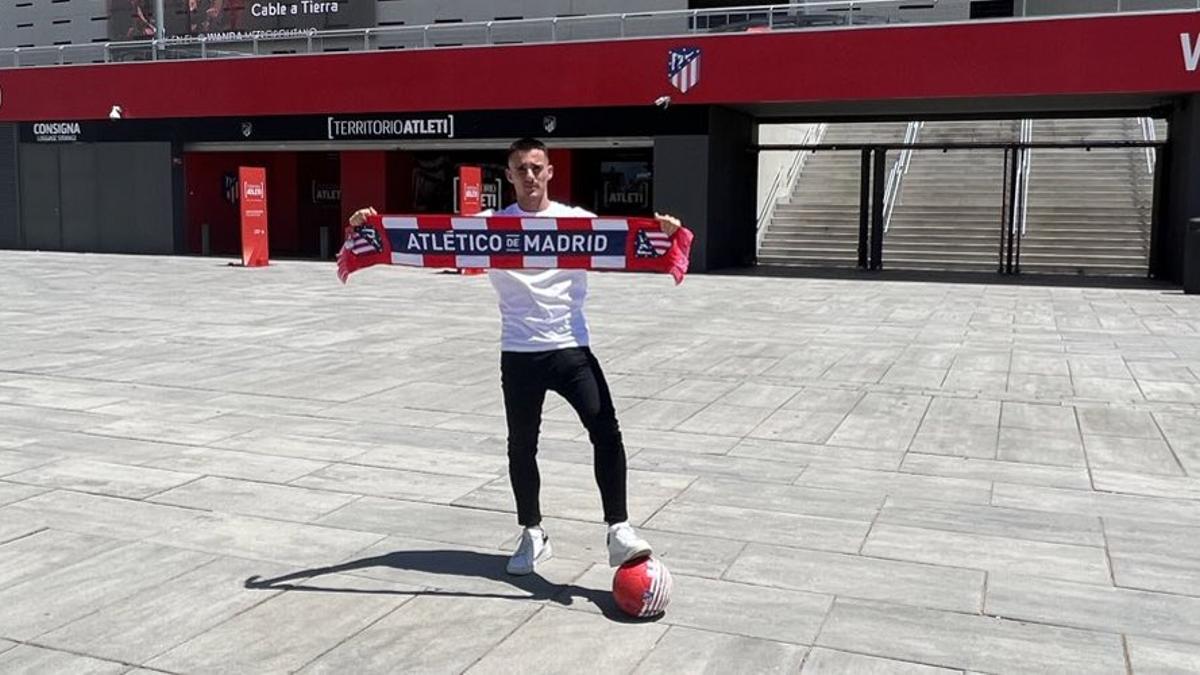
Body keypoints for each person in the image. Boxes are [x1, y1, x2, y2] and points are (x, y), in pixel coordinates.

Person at [349, 137, 683, 576]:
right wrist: (371, 227)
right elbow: (427, 236)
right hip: (519, 352)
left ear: (550, 172)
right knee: (521, 446)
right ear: (508, 175)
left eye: (536, 167)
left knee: (606, 430)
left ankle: (618, 529)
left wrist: (665, 233)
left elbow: (630, 245)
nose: (529, 175)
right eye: (521, 168)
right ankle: (532, 532)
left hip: (570, 347)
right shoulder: (489, 225)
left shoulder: (577, 222)